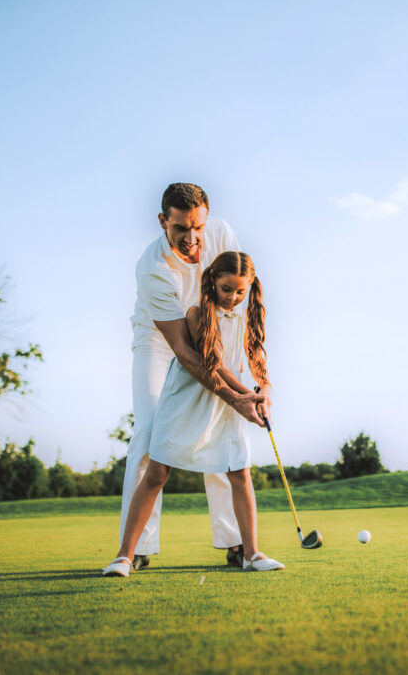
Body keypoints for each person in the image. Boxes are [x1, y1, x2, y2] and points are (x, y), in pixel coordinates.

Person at [105, 251, 283, 576]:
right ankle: (124, 556)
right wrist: (245, 397)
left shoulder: (247, 319)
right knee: (157, 473)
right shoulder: (197, 314)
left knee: (239, 474)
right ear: (213, 280)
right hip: (187, 399)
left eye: (240, 291)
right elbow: (216, 366)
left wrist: (264, 388)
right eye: (227, 288)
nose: (233, 297)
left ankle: (252, 554)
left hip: (227, 404)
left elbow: (256, 357)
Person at [122, 183, 266, 571]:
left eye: (197, 227)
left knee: (220, 429)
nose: (192, 238)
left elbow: (242, 308)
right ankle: (136, 548)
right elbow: (185, 353)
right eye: (180, 229)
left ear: (207, 219)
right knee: (150, 433)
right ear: (162, 222)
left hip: (214, 328)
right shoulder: (151, 269)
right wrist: (235, 396)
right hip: (159, 338)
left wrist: (255, 382)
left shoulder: (221, 233)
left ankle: (236, 543)